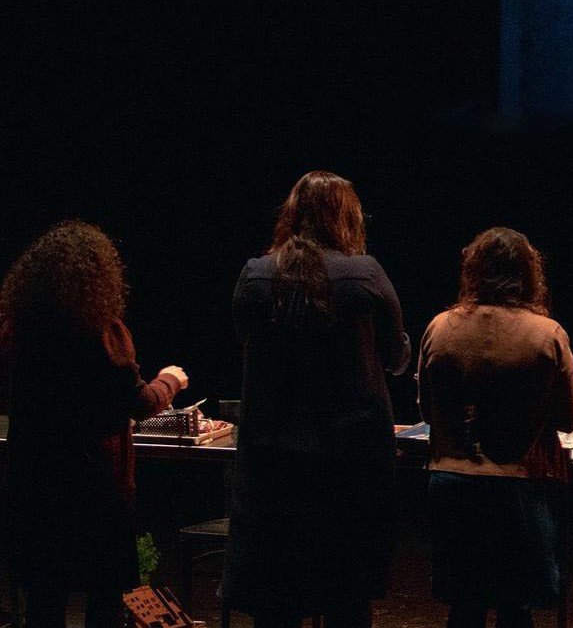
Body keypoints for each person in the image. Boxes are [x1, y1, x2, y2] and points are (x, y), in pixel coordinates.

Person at [223, 170, 410, 628]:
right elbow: (395, 354)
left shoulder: (256, 274)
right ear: (346, 218)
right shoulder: (365, 273)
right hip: (351, 465)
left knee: (276, 601)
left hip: (273, 464)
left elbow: (242, 339)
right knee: (347, 599)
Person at [0, 221, 189, 628]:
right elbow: (140, 403)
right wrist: (170, 379)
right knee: (104, 598)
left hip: (36, 481)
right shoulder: (98, 333)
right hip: (93, 487)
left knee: (44, 597)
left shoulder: (18, 328)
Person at [418, 227, 573, 628]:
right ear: (529, 274)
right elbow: (566, 417)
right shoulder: (547, 334)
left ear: (472, 271)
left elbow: (426, 410)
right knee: (515, 606)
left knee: (464, 605)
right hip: (516, 486)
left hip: (452, 481)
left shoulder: (439, 327)